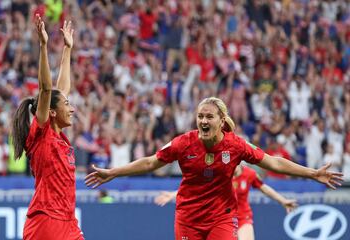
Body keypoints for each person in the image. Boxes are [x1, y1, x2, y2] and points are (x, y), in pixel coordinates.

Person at [85, 97, 343, 240]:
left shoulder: (236, 145)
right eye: (200, 117)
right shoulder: (183, 143)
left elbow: (273, 162)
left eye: (209, 117)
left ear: (221, 121)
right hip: (188, 219)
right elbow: (151, 162)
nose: (204, 121)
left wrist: (312, 173)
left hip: (222, 217)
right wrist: (114, 172)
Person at [11, 15, 83, 240]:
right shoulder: (41, 133)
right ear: (51, 112)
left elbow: (60, 92)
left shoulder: (61, 137)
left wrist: (67, 50)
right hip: (46, 222)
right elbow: (46, 90)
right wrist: (43, 46)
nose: (72, 109)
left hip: (68, 220)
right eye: (67, 105)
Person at [154, 164, 298, 240]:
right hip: (223, 219)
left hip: (243, 218)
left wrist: (283, 200)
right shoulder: (221, 173)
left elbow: (264, 188)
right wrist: (173, 195)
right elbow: (196, 187)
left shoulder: (249, 174)